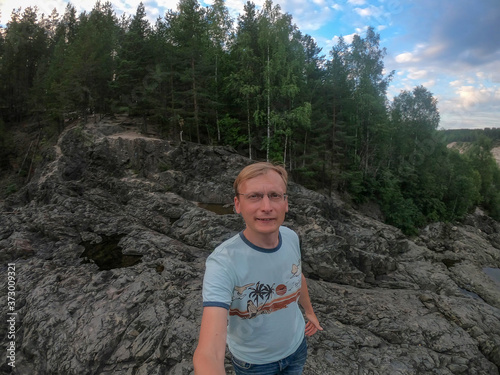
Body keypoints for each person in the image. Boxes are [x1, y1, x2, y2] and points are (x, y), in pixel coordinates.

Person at [193, 162, 323, 375]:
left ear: (286, 203)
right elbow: (210, 352)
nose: (266, 207)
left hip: (297, 347)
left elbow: (297, 277)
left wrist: (309, 312)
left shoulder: (290, 237)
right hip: (255, 365)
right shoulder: (222, 264)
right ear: (237, 204)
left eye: (274, 195)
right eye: (254, 196)